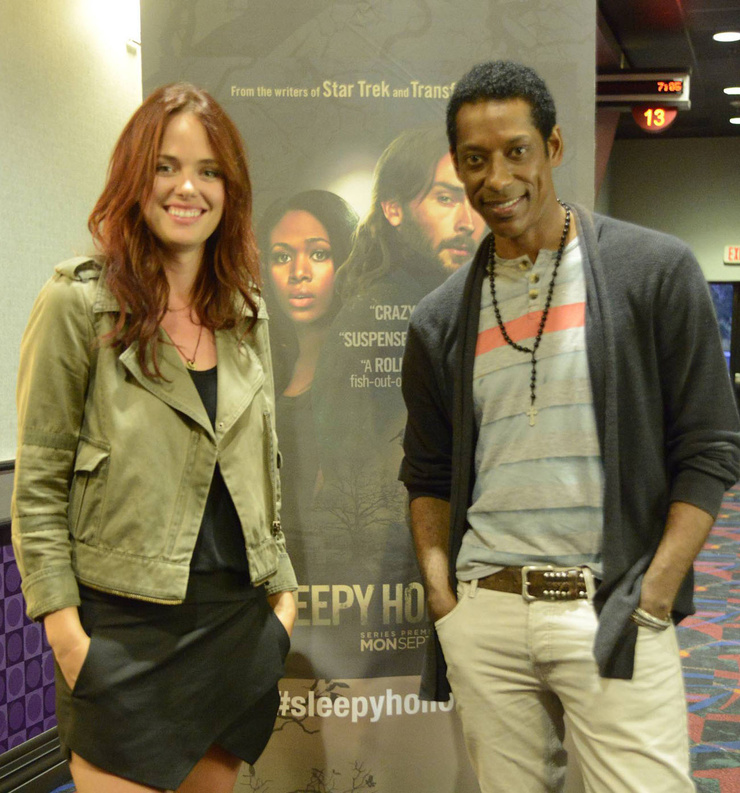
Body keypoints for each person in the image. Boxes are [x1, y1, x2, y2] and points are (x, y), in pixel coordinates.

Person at [399, 60, 740, 793]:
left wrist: (654, 593)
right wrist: (445, 601)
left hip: (611, 605)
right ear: (458, 165)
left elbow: (711, 448)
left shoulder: (652, 270)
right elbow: (426, 476)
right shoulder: (438, 320)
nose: (497, 177)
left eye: (516, 150)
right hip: (487, 611)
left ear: (553, 147)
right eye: (475, 159)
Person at [11, 83, 297, 793]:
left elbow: (264, 463)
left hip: (233, 629)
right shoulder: (77, 304)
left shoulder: (245, 312)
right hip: (121, 635)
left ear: (230, 190)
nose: (186, 188)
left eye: (208, 171)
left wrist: (283, 602)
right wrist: (67, 639)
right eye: (166, 166)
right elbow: (38, 488)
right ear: (134, 178)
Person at [258, 190, 358, 581]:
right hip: (268, 574)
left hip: (350, 578)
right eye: (282, 257)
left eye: (319, 254)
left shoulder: (368, 370)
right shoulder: (257, 367)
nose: (299, 272)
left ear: (346, 259)